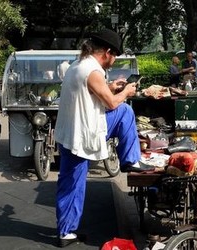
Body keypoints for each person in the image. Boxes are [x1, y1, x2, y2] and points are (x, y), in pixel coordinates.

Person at [54, 29, 154, 248]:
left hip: (70, 133)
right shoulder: (93, 71)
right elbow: (111, 103)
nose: (114, 60)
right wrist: (126, 92)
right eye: (115, 55)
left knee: (70, 183)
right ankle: (130, 161)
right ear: (107, 52)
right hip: (84, 132)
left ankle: (66, 231)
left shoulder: (79, 65)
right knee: (125, 112)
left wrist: (110, 87)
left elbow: (90, 92)